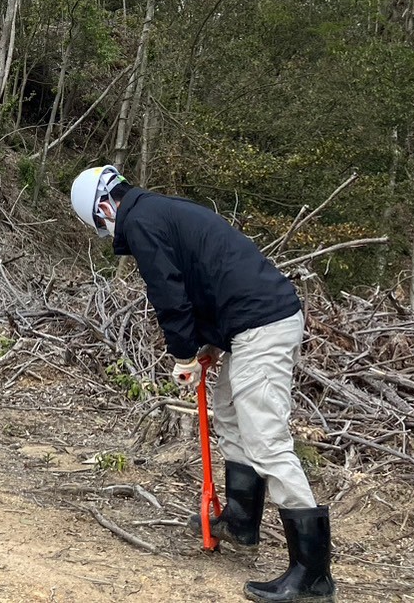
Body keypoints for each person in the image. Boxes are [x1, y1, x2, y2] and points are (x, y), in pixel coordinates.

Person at [68, 164, 335, 603]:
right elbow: (203, 278)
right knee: (229, 415)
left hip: (262, 324)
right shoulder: (156, 210)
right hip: (245, 324)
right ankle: (241, 523)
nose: (110, 234)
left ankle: (313, 575)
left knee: (267, 440)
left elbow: (169, 293)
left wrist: (183, 354)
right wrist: (208, 343)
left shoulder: (140, 221)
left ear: (104, 208)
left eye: (102, 226)